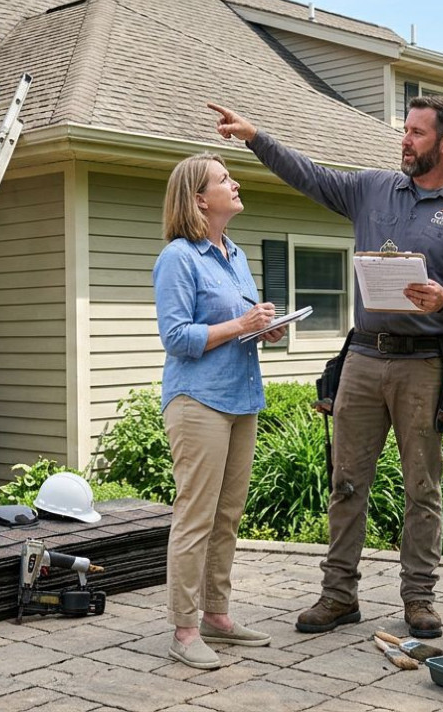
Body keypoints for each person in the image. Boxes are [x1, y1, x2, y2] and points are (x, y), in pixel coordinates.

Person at [209, 97, 443, 639]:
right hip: (364, 357)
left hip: (425, 364)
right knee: (345, 482)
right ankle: (339, 595)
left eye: (417, 133)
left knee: (422, 488)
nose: (405, 140)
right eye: (405, 130)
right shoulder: (372, 188)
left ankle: (419, 598)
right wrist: (255, 137)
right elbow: (310, 176)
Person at [153, 152, 283, 670]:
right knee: (196, 518)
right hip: (198, 401)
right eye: (224, 179)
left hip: (241, 398)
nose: (235, 183)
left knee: (228, 516)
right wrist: (241, 325)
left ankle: (217, 615)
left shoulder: (236, 254)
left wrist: (265, 328)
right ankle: (184, 630)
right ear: (199, 199)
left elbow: (240, 325)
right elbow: (176, 336)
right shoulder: (179, 258)